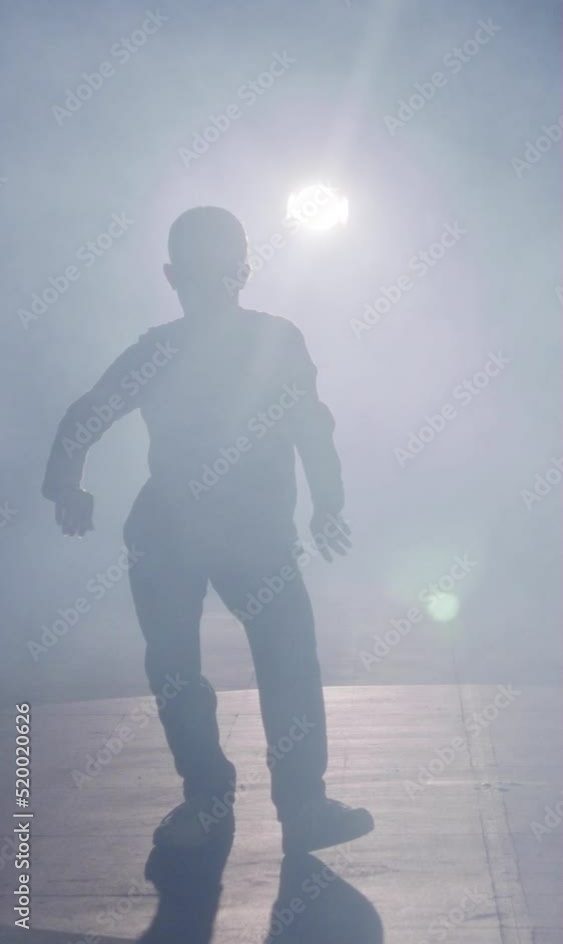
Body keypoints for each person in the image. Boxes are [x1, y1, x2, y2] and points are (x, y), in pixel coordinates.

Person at [42, 206, 374, 853]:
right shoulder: (271, 340)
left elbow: (85, 417)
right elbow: (312, 428)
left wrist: (68, 488)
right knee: (278, 661)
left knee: (184, 668)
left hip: (181, 531)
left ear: (170, 276)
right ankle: (293, 804)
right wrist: (326, 504)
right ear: (243, 271)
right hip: (228, 532)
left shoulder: (162, 350)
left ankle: (215, 798)